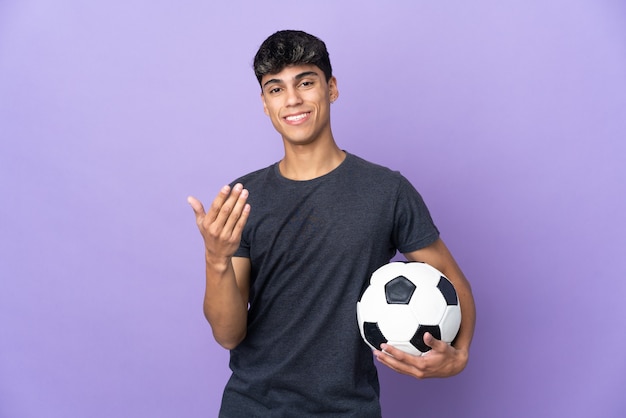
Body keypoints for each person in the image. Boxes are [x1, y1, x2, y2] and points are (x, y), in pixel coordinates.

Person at [188, 30, 476, 417]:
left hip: (348, 409)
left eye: (305, 82)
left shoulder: (386, 190)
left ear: (331, 88)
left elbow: (450, 279)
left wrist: (460, 355)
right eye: (276, 89)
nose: (292, 99)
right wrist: (216, 259)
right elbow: (228, 335)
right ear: (264, 103)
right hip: (252, 406)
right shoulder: (243, 198)